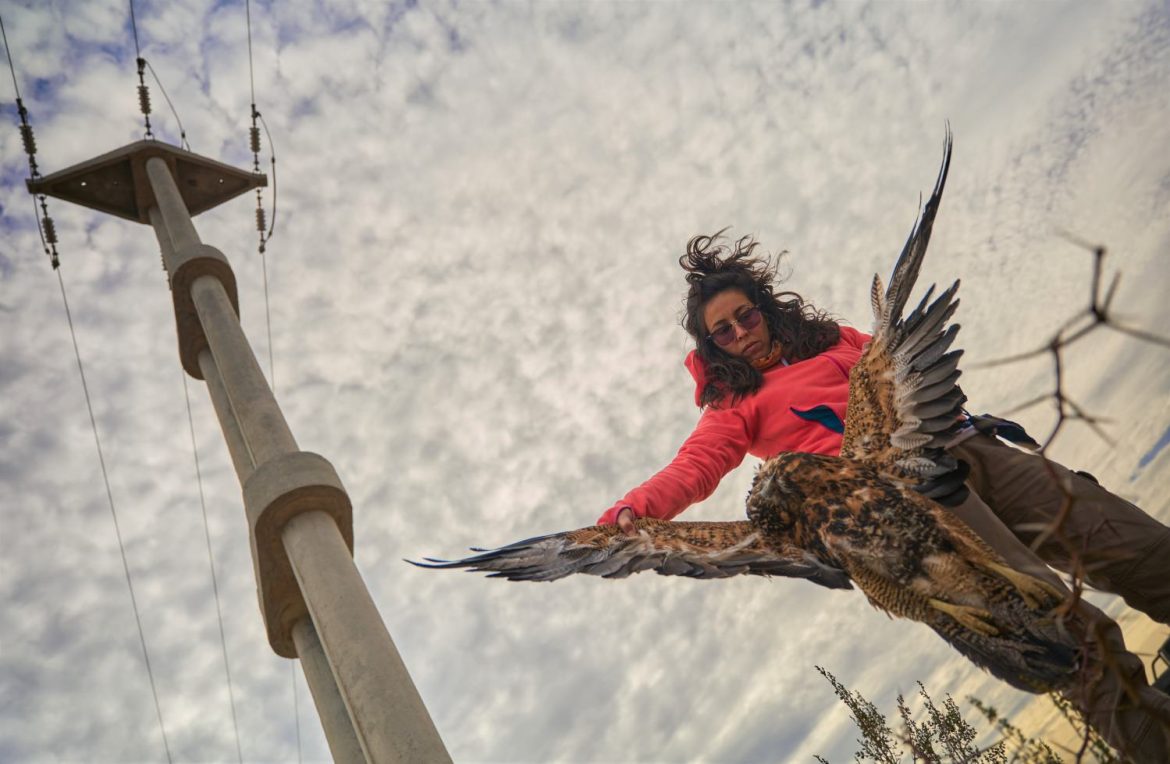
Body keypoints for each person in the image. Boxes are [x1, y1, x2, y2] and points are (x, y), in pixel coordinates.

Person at [597, 232, 1170, 757]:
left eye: (745, 315)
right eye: (724, 330)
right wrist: (633, 511)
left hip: (972, 449)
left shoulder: (834, 339)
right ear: (711, 345)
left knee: (1136, 547)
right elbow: (694, 466)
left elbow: (904, 368)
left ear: (763, 309)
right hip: (917, 514)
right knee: (1062, 631)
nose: (741, 332)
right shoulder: (732, 405)